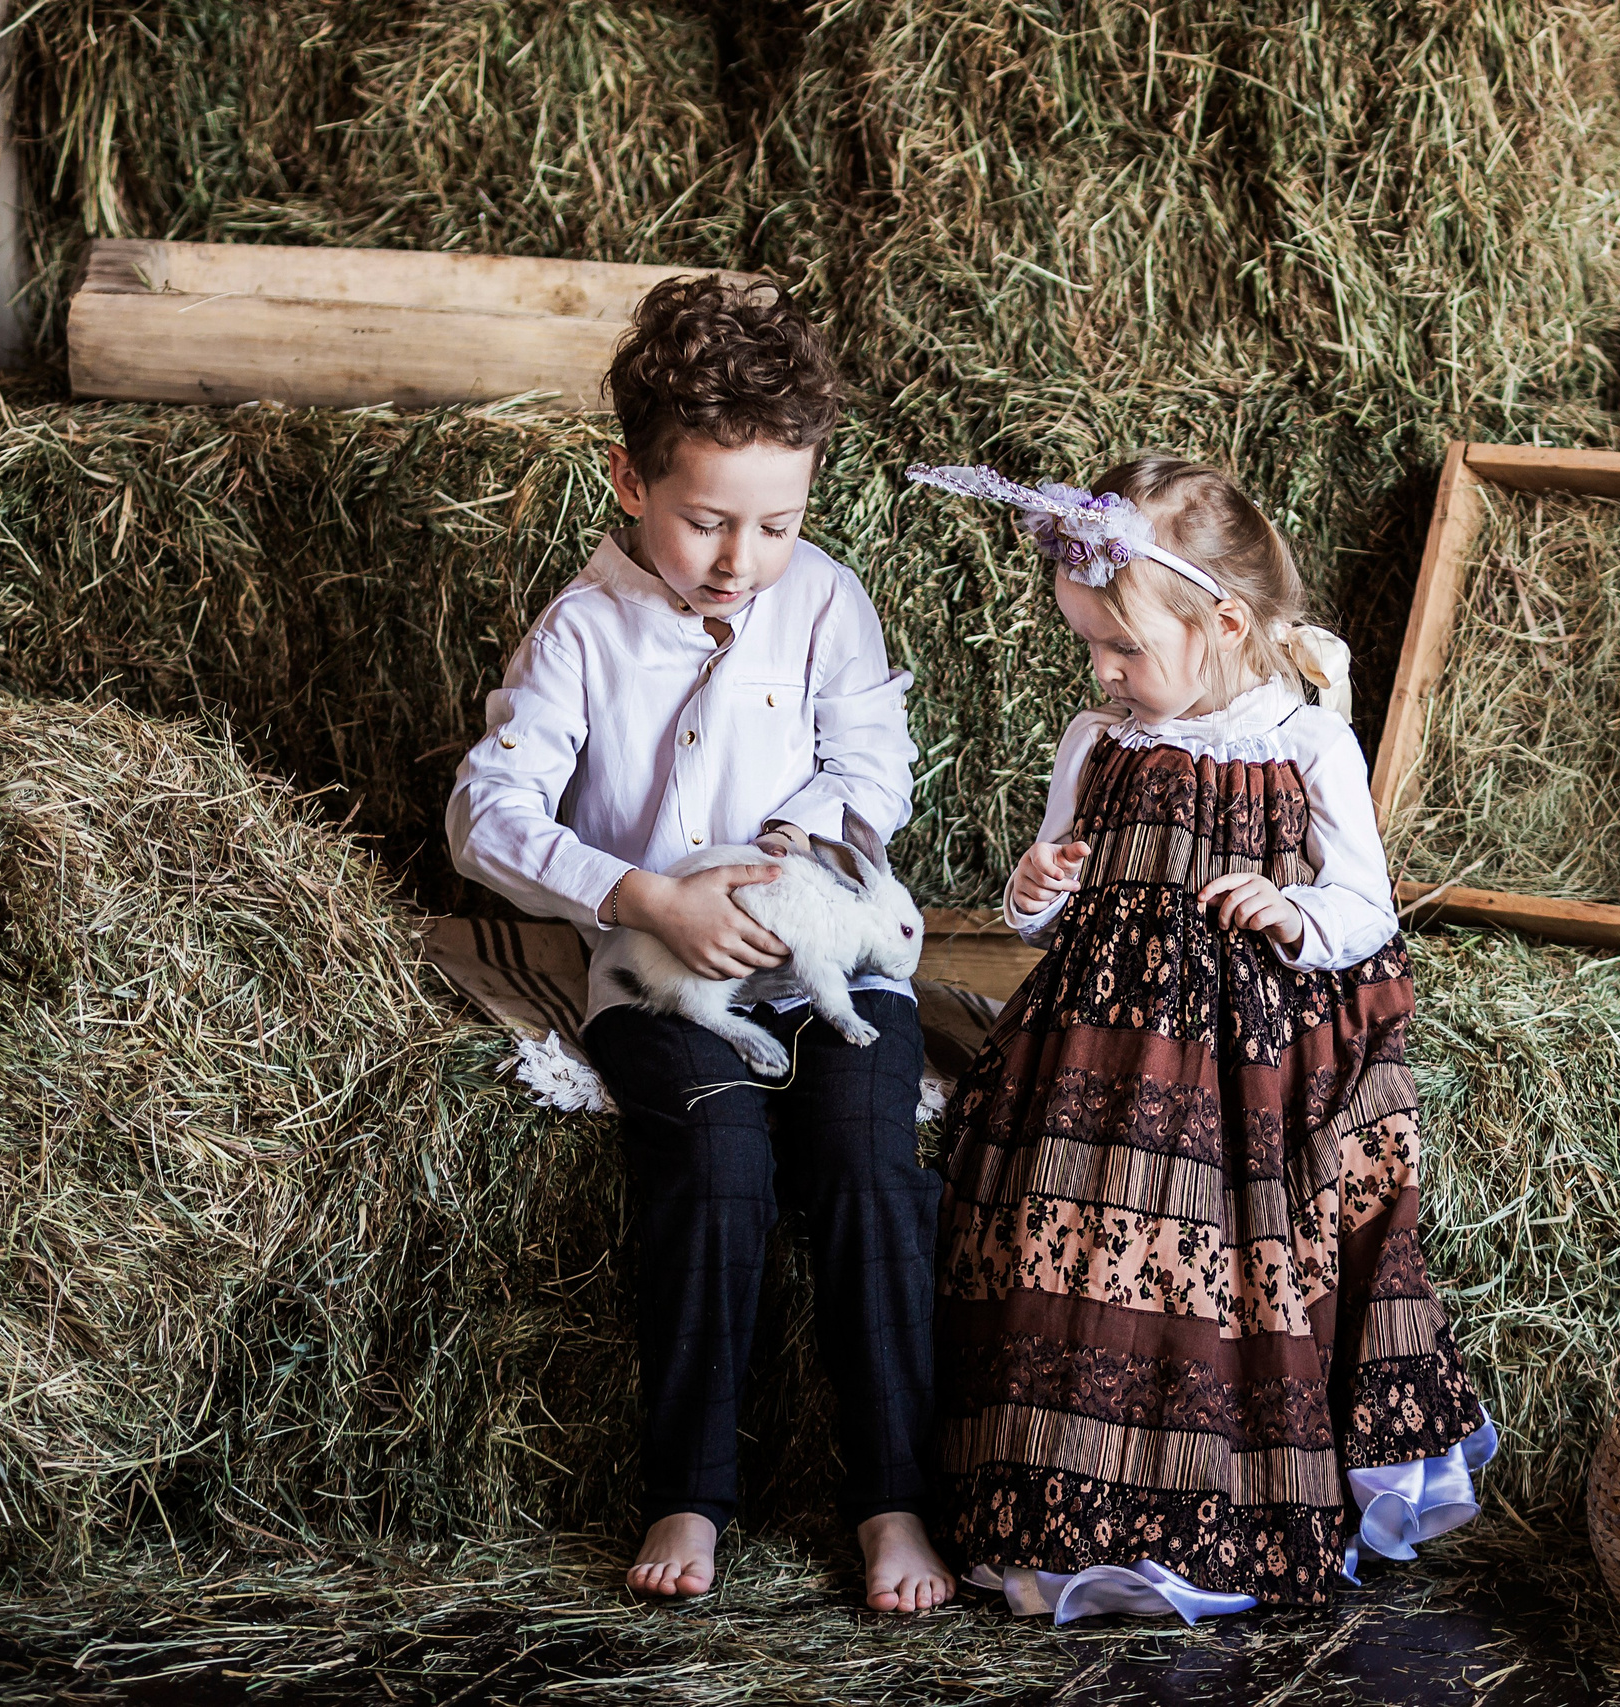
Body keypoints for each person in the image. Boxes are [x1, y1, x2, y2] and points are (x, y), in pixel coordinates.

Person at [909, 456, 1495, 1622]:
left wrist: (1294, 912)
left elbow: (1366, 905)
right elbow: (1046, 901)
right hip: (1097, 1040)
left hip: (1240, 1060)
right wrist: (1035, 886)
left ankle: (1204, 1513)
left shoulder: (1304, 741)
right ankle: (1060, 1511)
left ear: (1224, 621)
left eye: (1124, 650)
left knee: (1218, 1270)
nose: (1104, 672)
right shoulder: (1099, 736)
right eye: (1089, 647)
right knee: (1061, 1246)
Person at [448, 276, 954, 1612]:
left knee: (862, 1153)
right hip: (659, 970)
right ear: (628, 479)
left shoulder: (827, 600)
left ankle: (895, 1495)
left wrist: (800, 834)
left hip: (830, 955)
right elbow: (484, 815)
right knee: (720, 1159)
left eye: (776, 522)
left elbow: (873, 755)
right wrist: (643, 894)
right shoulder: (582, 633)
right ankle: (691, 1485)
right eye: (708, 519)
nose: (742, 557)